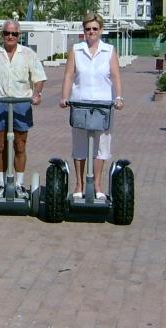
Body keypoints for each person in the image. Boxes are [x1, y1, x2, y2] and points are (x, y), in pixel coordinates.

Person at [59, 12, 124, 200]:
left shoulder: (109, 50)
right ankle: (79, 184)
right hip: (80, 103)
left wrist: (119, 97)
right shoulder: (76, 50)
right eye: (88, 29)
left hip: (104, 105)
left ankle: (97, 185)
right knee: (79, 146)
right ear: (83, 31)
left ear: (101, 30)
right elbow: (69, 76)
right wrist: (64, 97)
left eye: (95, 28)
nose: (91, 32)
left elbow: (115, 76)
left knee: (102, 146)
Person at [0, 19, 46, 198]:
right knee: (0, 145)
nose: (10, 36)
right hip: (0, 102)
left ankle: (19, 184)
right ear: (2, 35)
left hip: (21, 104)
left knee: (20, 145)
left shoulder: (28, 54)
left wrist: (37, 93)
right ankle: (1, 184)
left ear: (19, 36)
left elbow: (38, 78)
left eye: (14, 34)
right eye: (7, 33)